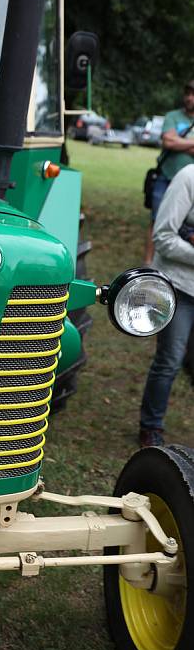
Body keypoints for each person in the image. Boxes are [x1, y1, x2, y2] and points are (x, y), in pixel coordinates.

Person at [139, 161, 194, 447]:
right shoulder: (188, 178)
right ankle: (150, 427)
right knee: (169, 360)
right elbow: (163, 237)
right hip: (180, 286)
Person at [144, 81, 194, 263]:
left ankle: (169, 261)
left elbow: (173, 142)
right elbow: (168, 142)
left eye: (193, 94)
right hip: (165, 177)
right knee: (156, 220)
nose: (189, 98)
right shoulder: (173, 116)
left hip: (189, 186)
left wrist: (178, 143)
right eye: (187, 93)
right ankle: (148, 263)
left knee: (184, 223)